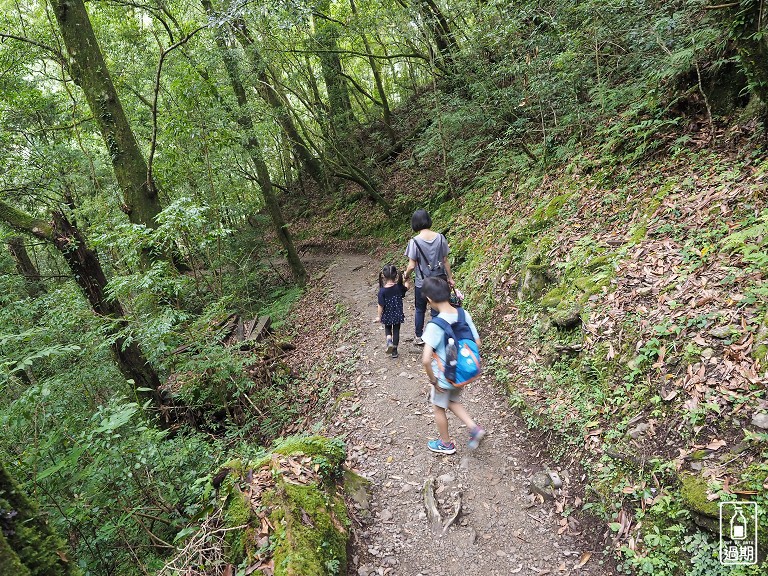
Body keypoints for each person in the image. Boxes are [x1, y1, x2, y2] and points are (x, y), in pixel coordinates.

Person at [420, 277, 485, 454]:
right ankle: (474, 428)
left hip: (444, 375)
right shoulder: (464, 314)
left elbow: (426, 359)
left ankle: (445, 444)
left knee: (438, 406)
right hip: (462, 372)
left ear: (429, 300)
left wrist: (433, 381)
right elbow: (477, 343)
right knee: (452, 400)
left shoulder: (435, 325)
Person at [403, 209, 454, 346]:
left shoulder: (414, 242)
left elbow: (412, 265)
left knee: (420, 309)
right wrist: (450, 278)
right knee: (436, 310)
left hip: (422, 283)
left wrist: (405, 275)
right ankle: (436, 337)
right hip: (440, 281)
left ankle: (419, 337)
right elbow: (445, 260)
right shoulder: (440, 237)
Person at [375, 264, 408, 359]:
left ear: (383, 276)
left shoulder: (382, 291)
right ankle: (395, 351)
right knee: (396, 330)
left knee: (388, 328)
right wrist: (406, 279)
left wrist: (379, 316)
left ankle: (389, 341)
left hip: (387, 314)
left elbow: (380, 305)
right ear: (396, 275)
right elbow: (406, 287)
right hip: (397, 314)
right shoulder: (398, 287)